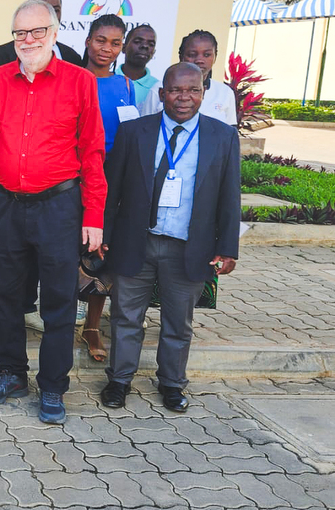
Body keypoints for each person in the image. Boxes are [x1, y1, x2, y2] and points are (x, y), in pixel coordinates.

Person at [0, 0, 106, 425]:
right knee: (5, 295)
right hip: (7, 204)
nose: (27, 41)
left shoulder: (80, 81)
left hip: (60, 206)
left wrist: (94, 217)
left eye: (36, 32)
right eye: (19, 33)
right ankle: (10, 373)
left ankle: (52, 386)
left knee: (59, 302)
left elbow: (92, 152)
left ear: (55, 32)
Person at [99, 62, 240, 412]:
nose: (184, 97)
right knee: (126, 316)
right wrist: (103, 233)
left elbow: (229, 197)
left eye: (193, 90)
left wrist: (228, 248)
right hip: (137, 241)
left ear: (203, 94)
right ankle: (119, 380)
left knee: (178, 322)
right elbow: (112, 188)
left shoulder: (222, 137)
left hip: (188, 246)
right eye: (176, 90)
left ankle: (172, 384)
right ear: (162, 94)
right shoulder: (134, 132)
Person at [79, 14, 140, 362]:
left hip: (111, 183)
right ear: (88, 41)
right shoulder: (72, 79)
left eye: (115, 43)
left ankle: (91, 326)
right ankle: (58, 317)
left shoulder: (126, 87)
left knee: (101, 252)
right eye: (101, 40)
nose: (107, 48)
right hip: (75, 178)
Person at [140, 30, 237, 126]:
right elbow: (145, 128)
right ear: (181, 57)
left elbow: (229, 135)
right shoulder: (159, 89)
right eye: (192, 55)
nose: (199, 60)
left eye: (207, 55)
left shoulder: (225, 93)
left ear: (215, 56)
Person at [0, 0, 84, 69]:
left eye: (55, 10)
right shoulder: (2, 54)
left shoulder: (72, 57)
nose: (50, 15)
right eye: (43, 9)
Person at [116, 24, 159, 107]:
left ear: (153, 52)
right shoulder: (107, 80)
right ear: (123, 47)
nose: (145, 46)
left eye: (151, 44)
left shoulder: (157, 87)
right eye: (137, 42)